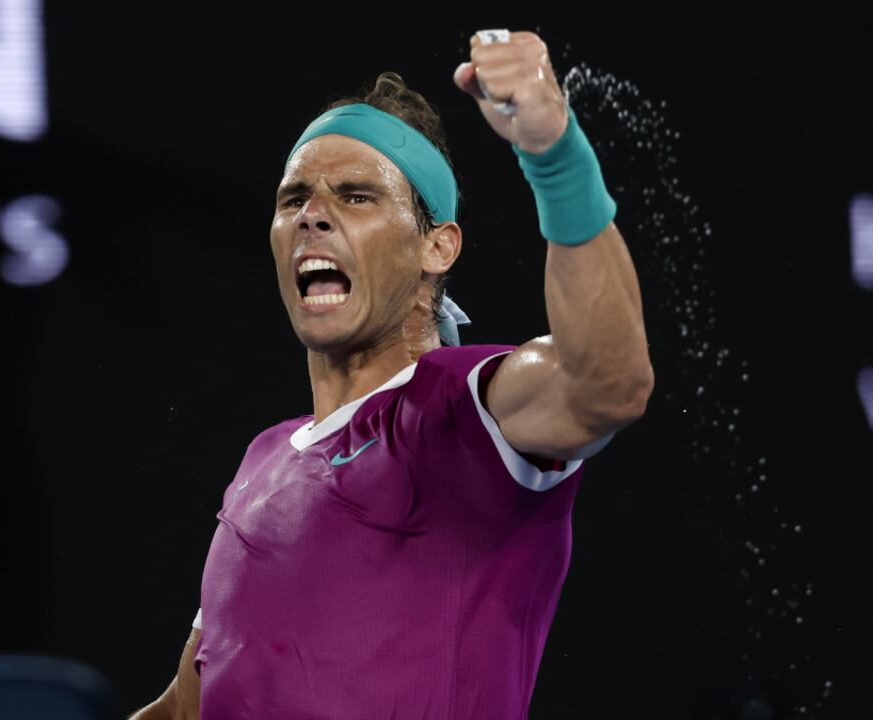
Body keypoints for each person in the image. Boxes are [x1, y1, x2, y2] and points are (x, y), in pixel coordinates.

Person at [132, 30, 654, 719]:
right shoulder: (261, 462)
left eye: (355, 196)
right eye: (294, 201)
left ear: (436, 246)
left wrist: (554, 156)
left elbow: (609, 385)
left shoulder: (464, 413)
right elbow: (184, 709)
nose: (312, 215)